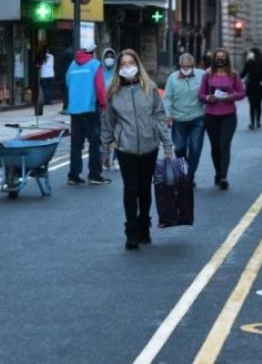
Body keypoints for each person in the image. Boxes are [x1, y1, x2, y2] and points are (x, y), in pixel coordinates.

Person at [101, 49, 173, 249]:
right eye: (123, 64)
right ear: (118, 68)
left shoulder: (149, 88)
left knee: (144, 189)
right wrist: (106, 148)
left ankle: (144, 226)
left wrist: (167, 145)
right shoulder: (113, 92)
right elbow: (108, 121)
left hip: (150, 146)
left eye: (130, 63)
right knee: (130, 188)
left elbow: (159, 116)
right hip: (126, 148)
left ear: (137, 64)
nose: (127, 67)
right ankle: (131, 231)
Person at [199, 49, 245, 190]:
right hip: (211, 115)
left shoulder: (233, 74)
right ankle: (218, 174)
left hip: (229, 115)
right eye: (218, 57)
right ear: (213, 59)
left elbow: (242, 92)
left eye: (223, 57)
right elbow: (201, 94)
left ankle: (224, 176)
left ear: (227, 59)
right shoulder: (207, 75)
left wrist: (231, 97)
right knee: (215, 147)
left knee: (225, 145)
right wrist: (208, 98)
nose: (220, 60)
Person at [66, 38, 110, 185]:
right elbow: (100, 88)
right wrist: (103, 104)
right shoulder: (95, 65)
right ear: (93, 51)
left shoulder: (72, 65)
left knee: (76, 144)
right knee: (94, 143)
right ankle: (94, 174)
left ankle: (73, 175)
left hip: (75, 109)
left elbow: (67, 82)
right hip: (91, 109)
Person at [164, 53, 206, 183]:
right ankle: (185, 167)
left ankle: (189, 176)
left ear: (193, 66)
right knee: (179, 148)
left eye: (189, 66)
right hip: (179, 119)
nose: (186, 68)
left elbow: (208, 88)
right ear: (179, 66)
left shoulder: (202, 75)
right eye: (183, 66)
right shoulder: (172, 78)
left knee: (195, 148)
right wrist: (168, 115)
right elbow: (167, 98)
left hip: (197, 118)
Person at [241, 48, 262, 130]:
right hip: (259, 86)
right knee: (258, 105)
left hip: (252, 86)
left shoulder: (250, 63)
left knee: (252, 105)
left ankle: (253, 123)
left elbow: (243, 74)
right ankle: (258, 122)